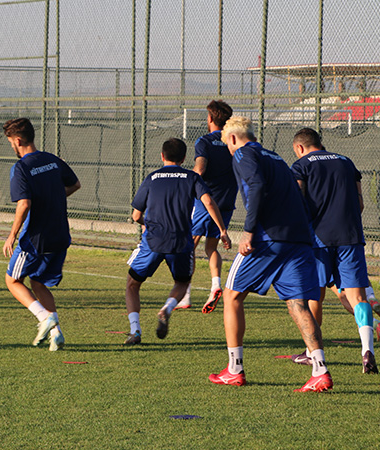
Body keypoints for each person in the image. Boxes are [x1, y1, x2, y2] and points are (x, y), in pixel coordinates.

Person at [209, 117, 332, 392]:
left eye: (227, 144)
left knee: (231, 296)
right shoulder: (276, 158)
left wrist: (249, 231)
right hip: (298, 239)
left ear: (232, 138)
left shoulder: (242, 154)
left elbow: (256, 186)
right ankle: (320, 370)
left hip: (268, 238)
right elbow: (298, 196)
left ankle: (234, 369)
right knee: (298, 304)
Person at [125, 138, 231, 345]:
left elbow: (136, 216)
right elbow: (208, 202)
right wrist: (222, 230)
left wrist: (148, 223)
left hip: (153, 241)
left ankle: (135, 330)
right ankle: (167, 308)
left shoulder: (152, 178)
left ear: (162, 156)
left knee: (132, 284)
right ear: (183, 158)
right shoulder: (192, 177)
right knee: (182, 282)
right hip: (182, 241)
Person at [289, 127, 376, 373]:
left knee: (314, 296)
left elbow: (298, 204)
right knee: (358, 297)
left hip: (317, 240)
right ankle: (367, 350)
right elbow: (359, 203)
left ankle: (312, 353)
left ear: (300, 147)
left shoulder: (301, 166)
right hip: (350, 237)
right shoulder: (347, 162)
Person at [2, 118, 81, 351]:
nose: (12, 146)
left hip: (35, 239)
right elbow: (75, 184)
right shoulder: (51, 160)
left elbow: (24, 204)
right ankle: (56, 334)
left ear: (18, 141)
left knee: (12, 280)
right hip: (60, 235)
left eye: (10, 142)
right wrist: (53, 198)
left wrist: (12, 235)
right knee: (38, 282)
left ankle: (44, 318)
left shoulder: (21, 167)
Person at [177, 100, 237, 313]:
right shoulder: (233, 141)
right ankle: (215, 286)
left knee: (189, 246)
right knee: (211, 247)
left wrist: (186, 183)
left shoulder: (204, 141)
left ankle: (184, 295)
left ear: (210, 118)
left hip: (205, 201)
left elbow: (200, 169)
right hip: (227, 201)